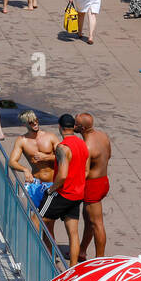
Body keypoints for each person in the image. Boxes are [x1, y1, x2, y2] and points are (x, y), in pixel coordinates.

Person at [42, 113, 88, 266]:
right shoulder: (83, 144)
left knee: (36, 220)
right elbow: (86, 171)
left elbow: (61, 176)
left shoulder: (62, 147)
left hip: (62, 193)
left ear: (60, 127)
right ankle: (72, 268)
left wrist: (51, 190)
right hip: (77, 195)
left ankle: (44, 256)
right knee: (73, 234)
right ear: (74, 127)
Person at [76, 112, 112, 260]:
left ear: (82, 128)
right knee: (88, 218)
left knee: (97, 223)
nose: (73, 126)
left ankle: (100, 260)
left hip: (93, 186)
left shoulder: (87, 146)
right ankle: (82, 251)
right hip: (103, 181)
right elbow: (108, 155)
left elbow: (84, 172)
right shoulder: (103, 136)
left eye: (76, 124)